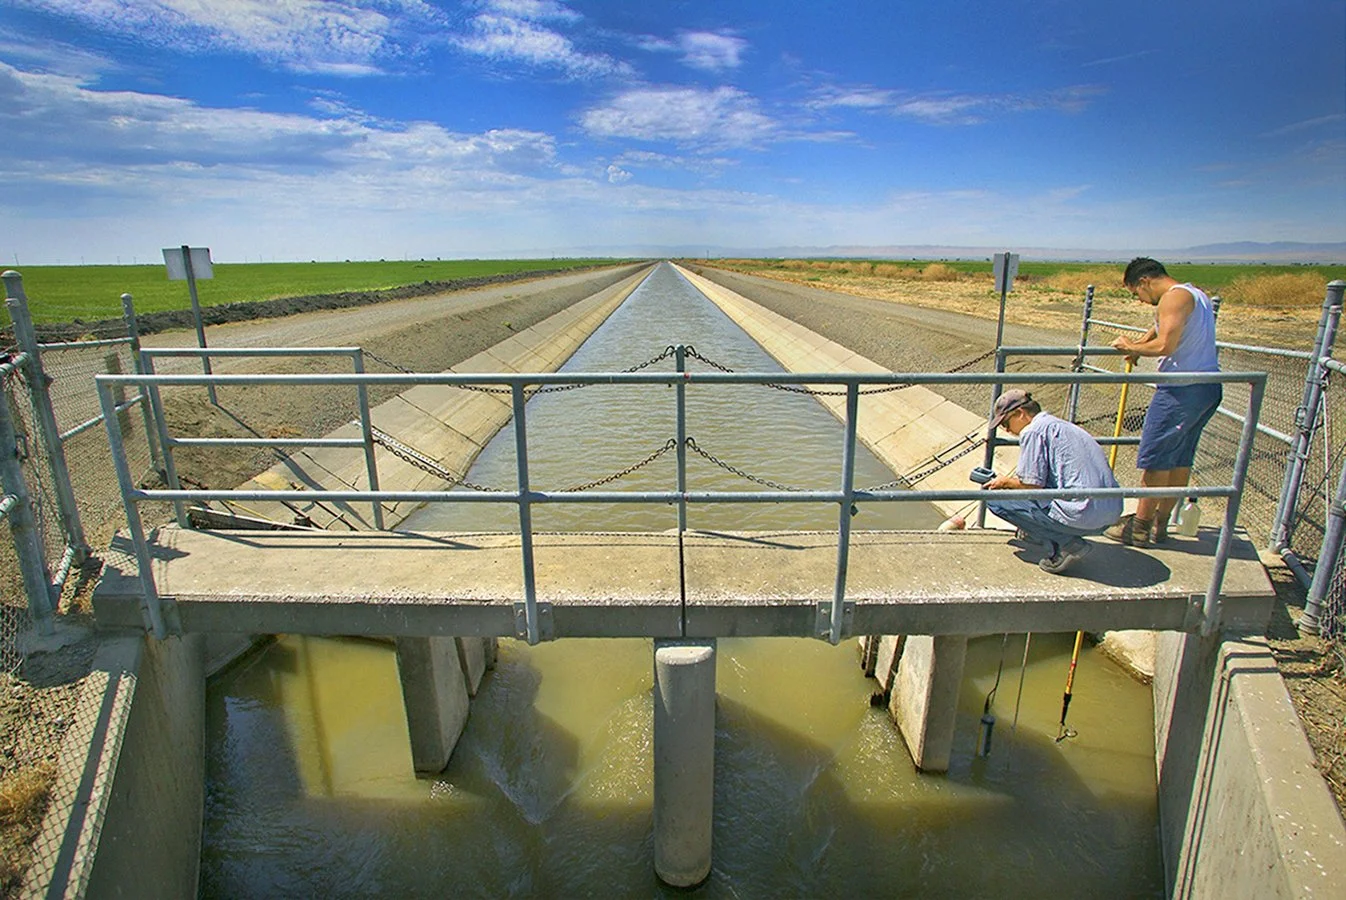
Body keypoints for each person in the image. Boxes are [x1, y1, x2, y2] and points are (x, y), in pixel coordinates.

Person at [1105, 257, 1220, 546]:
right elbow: (1162, 328)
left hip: (1180, 390)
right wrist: (1141, 342)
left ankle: (1139, 527)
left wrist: (1130, 346)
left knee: (1156, 461)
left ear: (1144, 281)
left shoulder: (1172, 298)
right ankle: (1160, 524)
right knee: (1179, 460)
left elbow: (1166, 343)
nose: (1141, 301)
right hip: (1205, 387)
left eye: (1137, 294)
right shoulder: (1194, 294)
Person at [982, 389, 1123, 574]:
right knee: (1038, 497)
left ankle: (1068, 545)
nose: (1007, 430)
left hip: (1082, 514)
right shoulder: (1064, 426)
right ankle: (1043, 534)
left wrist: (1004, 482)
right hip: (1109, 514)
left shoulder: (1032, 431)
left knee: (996, 501)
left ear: (1020, 414)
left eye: (1006, 423)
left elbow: (1031, 485)